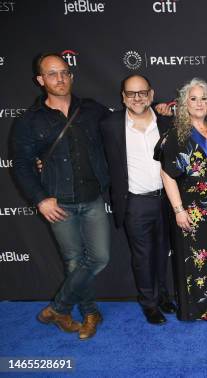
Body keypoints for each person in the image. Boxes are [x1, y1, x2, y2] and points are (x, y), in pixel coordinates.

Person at [12, 53, 110, 340]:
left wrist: (159, 108)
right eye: (52, 74)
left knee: (100, 258)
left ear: (71, 76)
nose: (60, 78)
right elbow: (21, 165)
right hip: (58, 203)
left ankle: (59, 307)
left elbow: (126, 120)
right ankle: (91, 313)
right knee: (73, 261)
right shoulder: (29, 121)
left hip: (92, 199)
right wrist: (41, 199)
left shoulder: (91, 109)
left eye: (64, 72)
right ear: (40, 80)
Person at [100, 74, 177, 325]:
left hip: (166, 199)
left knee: (163, 252)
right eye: (131, 93)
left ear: (151, 95)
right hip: (134, 203)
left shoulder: (167, 122)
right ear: (123, 97)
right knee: (142, 257)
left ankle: (164, 296)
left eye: (142, 92)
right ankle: (149, 304)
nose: (137, 98)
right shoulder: (110, 124)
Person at [157, 78, 207, 322]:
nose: (199, 103)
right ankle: (201, 308)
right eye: (193, 98)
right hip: (192, 203)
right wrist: (178, 210)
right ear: (184, 103)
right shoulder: (175, 135)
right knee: (196, 255)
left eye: (204, 98)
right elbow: (167, 174)